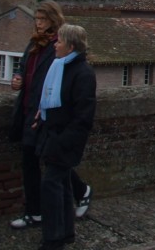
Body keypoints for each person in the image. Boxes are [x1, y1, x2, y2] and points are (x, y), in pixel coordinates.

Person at [9, 1, 92, 230]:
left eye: (43, 19)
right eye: (36, 19)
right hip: (28, 108)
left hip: (44, 111)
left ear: (53, 20)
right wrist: (17, 78)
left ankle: (41, 212)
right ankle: (41, 210)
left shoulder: (60, 45)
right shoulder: (35, 42)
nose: (38, 23)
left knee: (46, 160)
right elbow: (23, 67)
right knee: (36, 159)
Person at [35, 24, 97, 250]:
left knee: (51, 184)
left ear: (71, 47)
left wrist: (62, 141)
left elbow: (83, 116)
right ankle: (65, 233)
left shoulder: (83, 74)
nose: (55, 45)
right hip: (53, 135)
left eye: (59, 41)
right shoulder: (59, 66)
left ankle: (53, 239)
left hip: (65, 140)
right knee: (62, 184)